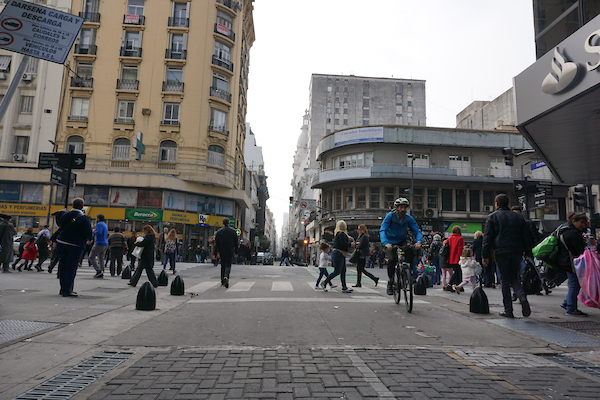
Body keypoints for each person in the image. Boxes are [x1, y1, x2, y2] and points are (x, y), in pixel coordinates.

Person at [482, 194, 533, 318]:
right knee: (514, 277)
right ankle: (522, 297)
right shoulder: (518, 218)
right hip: (516, 251)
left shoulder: (492, 217)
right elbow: (526, 237)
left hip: (501, 251)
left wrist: (485, 255)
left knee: (504, 280)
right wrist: (528, 253)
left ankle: (508, 309)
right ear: (508, 204)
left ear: (497, 204)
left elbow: (487, 237)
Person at [379, 197, 423, 295]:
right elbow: (383, 230)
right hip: (390, 241)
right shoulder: (390, 216)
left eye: (405, 207)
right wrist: (386, 243)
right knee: (392, 260)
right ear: (396, 207)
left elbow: (416, 230)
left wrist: (419, 241)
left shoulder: (408, 218)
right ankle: (390, 282)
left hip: (402, 240)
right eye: (400, 207)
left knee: (411, 250)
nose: (403, 209)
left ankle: (409, 273)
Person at [55, 198, 93, 297]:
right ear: (82, 206)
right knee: (71, 267)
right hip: (75, 244)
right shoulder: (84, 218)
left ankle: (62, 288)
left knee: (63, 265)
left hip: (61, 242)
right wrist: (89, 239)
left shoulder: (65, 215)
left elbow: (60, 224)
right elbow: (88, 232)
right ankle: (68, 290)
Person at [558, 212, 589, 316]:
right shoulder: (574, 233)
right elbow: (579, 250)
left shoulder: (564, 229)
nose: (583, 225)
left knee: (574, 283)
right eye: (581, 222)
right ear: (574, 221)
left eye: (584, 223)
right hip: (571, 262)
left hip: (565, 260)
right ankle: (571, 308)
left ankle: (567, 303)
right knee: (574, 284)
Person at [320, 220, 355, 293]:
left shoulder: (338, 233)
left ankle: (344, 287)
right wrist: (351, 245)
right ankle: (324, 282)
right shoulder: (341, 233)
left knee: (343, 271)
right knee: (337, 271)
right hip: (339, 254)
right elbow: (343, 243)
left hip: (338, 254)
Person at [213, 217, 238, 288]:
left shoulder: (219, 231)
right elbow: (236, 242)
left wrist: (215, 253)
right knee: (228, 265)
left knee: (223, 265)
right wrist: (236, 252)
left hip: (222, 250)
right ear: (229, 223)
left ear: (223, 223)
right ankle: (226, 276)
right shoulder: (233, 231)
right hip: (230, 250)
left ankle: (222, 280)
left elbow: (216, 243)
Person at [445, 226, 464, 291]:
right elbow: (460, 250)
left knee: (457, 271)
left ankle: (459, 285)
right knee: (457, 272)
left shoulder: (449, 238)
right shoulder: (460, 238)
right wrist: (461, 258)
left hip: (450, 257)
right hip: (457, 258)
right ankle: (450, 284)